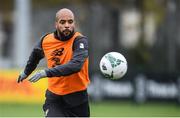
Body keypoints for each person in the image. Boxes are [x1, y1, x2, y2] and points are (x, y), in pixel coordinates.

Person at [17, 8, 90, 117]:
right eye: (62, 22)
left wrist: (45, 73)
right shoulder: (46, 40)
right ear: (56, 24)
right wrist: (26, 72)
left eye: (70, 22)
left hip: (77, 98)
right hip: (55, 98)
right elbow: (35, 55)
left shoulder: (79, 41)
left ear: (74, 23)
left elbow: (76, 65)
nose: (67, 25)